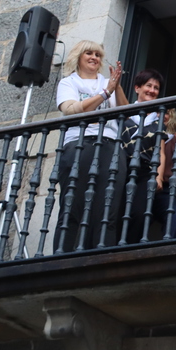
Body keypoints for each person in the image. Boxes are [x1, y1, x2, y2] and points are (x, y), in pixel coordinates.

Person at [55, 40, 128, 251]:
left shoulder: (107, 82)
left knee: (107, 210)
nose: (94, 58)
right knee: (72, 207)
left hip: (110, 146)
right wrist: (105, 93)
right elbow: (71, 109)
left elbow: (125, 112)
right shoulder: (69, 83)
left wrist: (116, 86)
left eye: (97, 55)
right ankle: (63, 258)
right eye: (89, 53)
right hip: (79, 145)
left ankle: (102, 258)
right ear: (78, 57)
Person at [121, 69, 176, 241]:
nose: (162, 115)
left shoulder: (173, 138)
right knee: (135, 217)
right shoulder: (134, 122)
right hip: (138, 180)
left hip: (163, 187)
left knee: (174, 216)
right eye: (160, 112)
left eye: (167, 113)